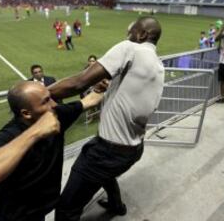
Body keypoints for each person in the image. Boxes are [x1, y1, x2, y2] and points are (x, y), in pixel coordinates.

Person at [49, 16, 164, 221]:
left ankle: (113, 205)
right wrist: (111, 88)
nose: (127, 35)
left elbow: (80, 82)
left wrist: (40, 94)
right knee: (106, 174)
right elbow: (134, 96)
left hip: (108, 151)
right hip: (134, 147)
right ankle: (116, 206)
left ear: (142, 34)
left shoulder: (130, 48)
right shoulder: (158, 64)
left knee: (66, 208)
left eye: (131, 31)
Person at [0, 81, 104, 221]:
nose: (54, 104)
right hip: (16, 216)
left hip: (42, 208)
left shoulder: (55, 114)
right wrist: (36, 132)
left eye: (50, 97)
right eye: (45, 101)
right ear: (26, 113)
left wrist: (100, 88)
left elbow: (89, 101)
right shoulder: (8, 135)